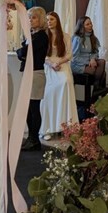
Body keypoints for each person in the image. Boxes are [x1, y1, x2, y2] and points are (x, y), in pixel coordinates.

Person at [40, 11, 78, 140]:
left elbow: (69, 54)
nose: (49, 22)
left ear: (57, 21)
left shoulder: (65, 36)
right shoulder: (44, 36)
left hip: (62, 64)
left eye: (51, 19)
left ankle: (67, 126)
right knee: (49, 92)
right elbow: (41, 54)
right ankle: (48, 128)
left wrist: (59, 63)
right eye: (47, 20)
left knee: (66, 82)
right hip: (48, 65)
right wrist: (51, 64)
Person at [17, 7, 49, 151]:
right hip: (28, 72)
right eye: (29, 17)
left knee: (34, 108)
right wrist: (22, 52)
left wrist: (22, 52)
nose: (30, 20)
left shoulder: (41, 36)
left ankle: (34, 138)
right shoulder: (31, 35)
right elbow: (21, 53)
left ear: (40, 19)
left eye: (34, 17)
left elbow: (24, 52)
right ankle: (31, 137)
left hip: (36, 73)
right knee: (28, 108)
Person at [71, 16, 107, 90]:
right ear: (82, 26)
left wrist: (92, 59)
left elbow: (95, 52)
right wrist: (88, 62)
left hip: (89, 61)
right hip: (78, 64)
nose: (90, 25)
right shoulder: (77, 38)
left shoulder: (93, 38)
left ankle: (96, 89)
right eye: (87, 24)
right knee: (99, 72)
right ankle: (96, 90)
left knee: (102, 62)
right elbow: (74, 57)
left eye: (91, 23)